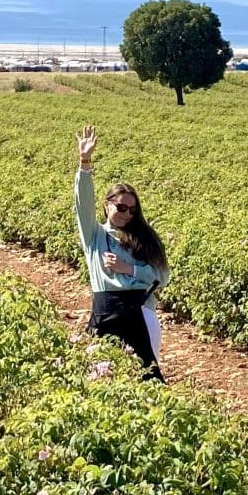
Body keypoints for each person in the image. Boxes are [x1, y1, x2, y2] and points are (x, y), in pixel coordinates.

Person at [74, 125, 169, 379]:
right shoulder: (95, 235)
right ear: (107, 206)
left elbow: (162, 276)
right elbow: (82, 204)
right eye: (121, 207)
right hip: (104, 310)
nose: (126, 213)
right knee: (100, 378)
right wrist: (85, 163)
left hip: (140, 311)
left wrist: (129, 269)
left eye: (132, 209)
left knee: (145, 378)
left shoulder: (145, 238)